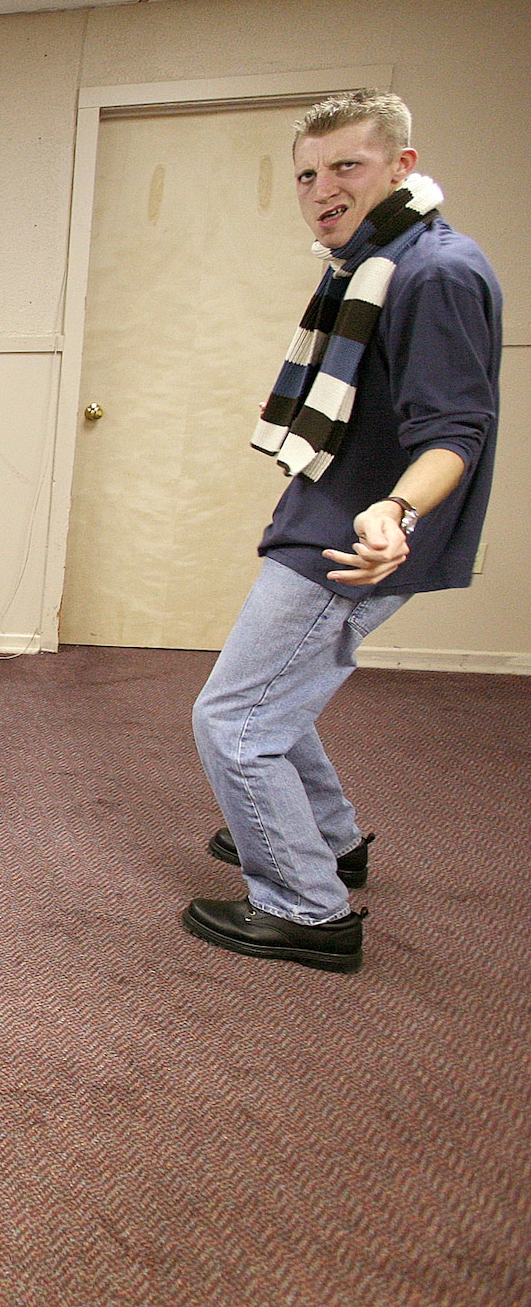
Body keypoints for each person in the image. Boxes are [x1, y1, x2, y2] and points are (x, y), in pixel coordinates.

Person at [183, 90, 501, 973]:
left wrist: (396, 512)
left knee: (235, 720)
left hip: (356, 538)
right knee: (272, 696)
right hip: (331, 514)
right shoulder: (372, 262)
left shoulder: (435, 273)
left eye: (347, 168)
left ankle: (305, 905)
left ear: (401, 166)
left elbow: (456, 431)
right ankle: (331, 840)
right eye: (308, 175)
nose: (323, 190)